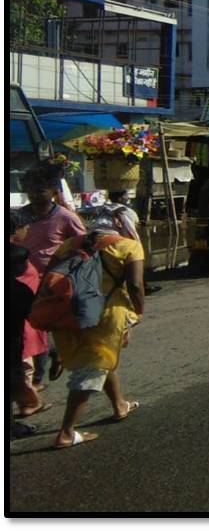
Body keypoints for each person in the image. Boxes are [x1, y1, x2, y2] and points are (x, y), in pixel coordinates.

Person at [47, 222, 146, 449]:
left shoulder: (69, 244)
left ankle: (119, 405)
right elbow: (135, 284)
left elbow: (49, 278)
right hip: (105, 313)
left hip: (68, 312)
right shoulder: (128, 246)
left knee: (103, 357)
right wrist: (139, 309)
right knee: (92, 368)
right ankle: (66, 433)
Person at [16, 169, 86, 388]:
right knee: (29, 329)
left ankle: (37, 380)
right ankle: (51, 354)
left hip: (52, 283)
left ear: (54, 192)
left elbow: (83, 246)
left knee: (38, 327)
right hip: (21, 280)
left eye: (40, 190)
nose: (34, 195)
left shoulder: (65, 217)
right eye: (30, 190)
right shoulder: (19, 217)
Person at [9, 212, 47, 434]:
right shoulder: (18, 286)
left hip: (21, 327)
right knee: (18, 371)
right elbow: (33, 314)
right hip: (18, 331)